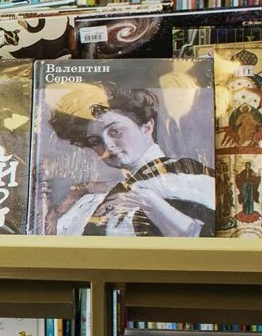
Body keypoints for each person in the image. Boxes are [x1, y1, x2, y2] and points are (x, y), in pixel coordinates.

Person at [47, 83, 216, 237]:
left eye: (115, 131)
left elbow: (202, 241)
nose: (109, 146)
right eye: (96, 141)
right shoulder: (95, 198)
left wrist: (146, 200)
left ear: (147, 127)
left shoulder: (185, 174)